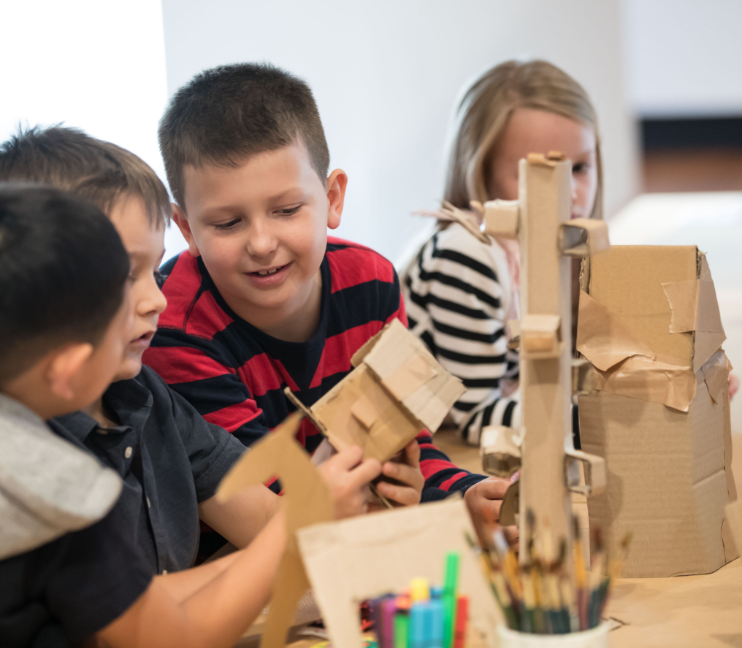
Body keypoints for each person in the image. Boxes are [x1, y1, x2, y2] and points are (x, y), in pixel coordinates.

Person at [0, 185, 380, 648]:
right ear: (69, 372)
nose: (157, 300)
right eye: (119, 309)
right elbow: (169, 639)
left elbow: (146, 601)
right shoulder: (59, 500)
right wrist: (294, 527)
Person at [147, 62, 504, 530]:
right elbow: (269, 499)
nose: (261, 243)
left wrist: (459, 494)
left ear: (333, 198)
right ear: (187, 229)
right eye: (228, 223)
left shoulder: (373, 282)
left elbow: (404, 441)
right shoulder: (174, 328)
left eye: (287, 210)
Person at [0, 126, 281, 572]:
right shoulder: (9, 453)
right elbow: (134, 622)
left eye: (154, 269)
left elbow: (274, 529)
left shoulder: (147, 395)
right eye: (127, 276)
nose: (158, 301)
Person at [401, 59, 603, 447]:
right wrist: (610, 414)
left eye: (581, 167)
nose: (573, 192)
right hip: (433, 449)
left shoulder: (567, 247)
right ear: (481, 172)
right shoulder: (468, 256)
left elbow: (567, 372)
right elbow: (477, 417)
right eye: (545, 172)